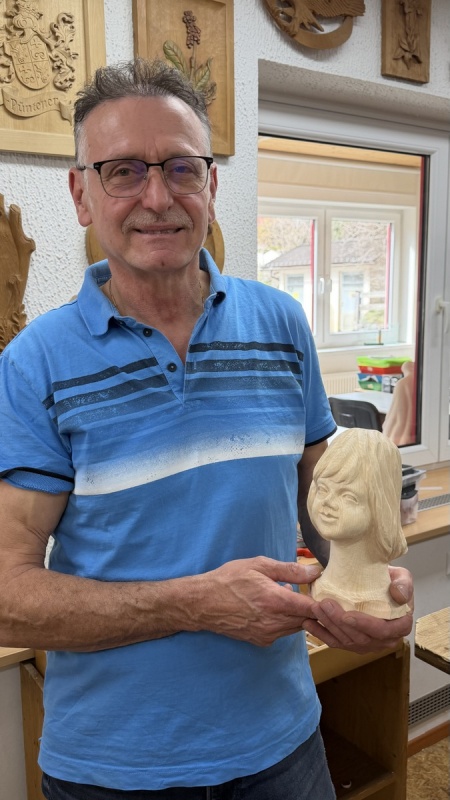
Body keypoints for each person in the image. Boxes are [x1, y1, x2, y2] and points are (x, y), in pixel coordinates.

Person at [0, 58, 413, 800]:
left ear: (212, 186)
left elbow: (325, 501)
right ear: (81, 194)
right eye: (123, 171)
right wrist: (193, 602)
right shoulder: (34, 364)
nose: (157, 198)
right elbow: (7, 594)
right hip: (115, 769)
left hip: (284, 743)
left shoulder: (281, 324)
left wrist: (363, 574)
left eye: (182, 168)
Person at [307, 428, 409, 618]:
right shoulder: (318, 587)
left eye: (347, 495)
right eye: (323, 489)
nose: (328, 502)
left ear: (380, 505)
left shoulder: (381, 602)